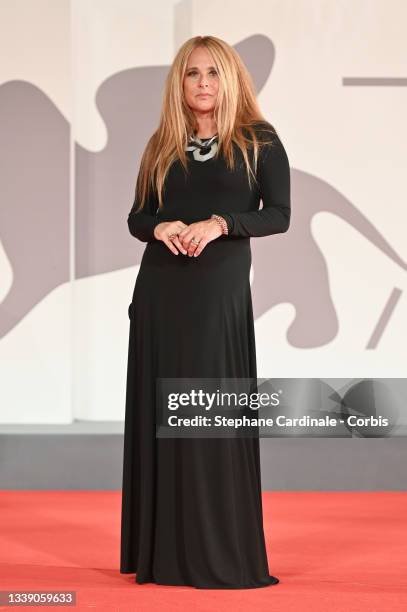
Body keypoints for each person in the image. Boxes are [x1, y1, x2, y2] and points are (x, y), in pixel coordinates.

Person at [120, 35, 291, 589]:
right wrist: (160, 225)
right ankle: (164, 553)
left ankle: (218, 550)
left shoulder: (259, 141)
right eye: (193, 73)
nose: (203, 83)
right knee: (164, 411)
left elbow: (280, 214)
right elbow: (137, 216)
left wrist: (221, 223)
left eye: (214, 73)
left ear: (231, 79)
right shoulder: (160, 144)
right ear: (180, 81)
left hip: (217, 290)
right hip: (160, 290)